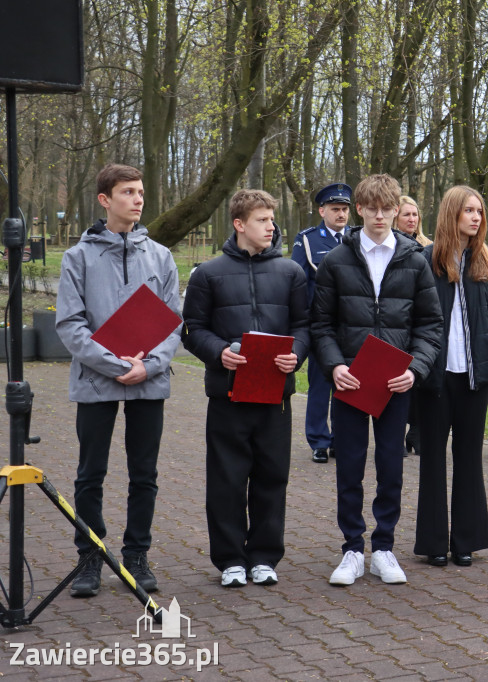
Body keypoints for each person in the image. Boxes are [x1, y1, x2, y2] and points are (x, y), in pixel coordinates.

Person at [311, 174, 443, 586]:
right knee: (349, 467)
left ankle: (384, 547)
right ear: (360, 210)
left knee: (391, 466)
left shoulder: (415, 260)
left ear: (396, 210)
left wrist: (415, 369)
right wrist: (335, 366)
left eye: (387, 208)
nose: (380, 216)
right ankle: (352, 549)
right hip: (350, 381)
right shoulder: (336, 260)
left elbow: (431, 325)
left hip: (394, 382)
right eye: (373, 208)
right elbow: (321, 325)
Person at [55, 163, 181, 597]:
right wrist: (114, 364)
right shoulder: (78, 257)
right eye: (128, 192)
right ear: (105, 199)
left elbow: (174, 323)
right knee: (90, 474)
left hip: (149, 379)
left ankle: (136, 555)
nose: (138, 199)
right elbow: (70, 324)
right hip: (96, 380)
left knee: (144, 473)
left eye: (141, 191)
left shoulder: (160, 256)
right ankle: (90, 556)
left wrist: (150, 365)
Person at [181, 189, 309, 588]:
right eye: (262, 220)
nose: (271, 227)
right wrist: (218, 352)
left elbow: (304, 326)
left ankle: (265, 557)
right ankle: (231, 560)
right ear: (239, 224)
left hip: (275, 396)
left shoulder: (291, 273)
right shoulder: (207, 274)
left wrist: (296, 355)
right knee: (227, 480)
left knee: (272, 477)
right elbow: (192, 330)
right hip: (228, 395)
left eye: (272, 219)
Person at [414, 186, 488, 568]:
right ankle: (434, 542)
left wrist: (479, 357)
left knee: (469, 458)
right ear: (452, 214)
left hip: (473, 377)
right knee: (432, 459)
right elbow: (417, 316)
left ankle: (466, 540)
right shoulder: (425, 260)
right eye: (469, 210)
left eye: (479, 211)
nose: (476, 217)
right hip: (435, 377)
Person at [293, 183, 352, 463]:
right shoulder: (308, 240)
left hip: (352, 325)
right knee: (320, 384)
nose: (341, 214)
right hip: (321, 325)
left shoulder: (358, 238)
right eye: (335, 209)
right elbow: (298, 283)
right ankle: (318, 440)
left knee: (348, 384)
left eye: (345, 209)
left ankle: (342, 438)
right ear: (322, 211)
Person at [392, 195, 431, 455]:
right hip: (397, 321)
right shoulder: (389, 245)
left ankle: (416, 431)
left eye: (415, 214)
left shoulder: (428, 247)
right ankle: (395, 434)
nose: (412, 219)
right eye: (406, 214)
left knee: (420, 380)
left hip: (421, 322)